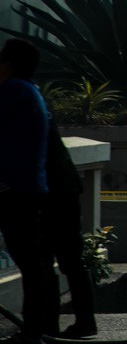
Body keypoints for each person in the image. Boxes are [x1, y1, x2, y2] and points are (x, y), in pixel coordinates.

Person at [0, 39, 57, 344]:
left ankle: (34, 330)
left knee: (29, 260)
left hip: (14, 189)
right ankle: (37, 328)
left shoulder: (13, 91)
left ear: (8, 66)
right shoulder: (31, 91)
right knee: (32, 261)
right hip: (28, 188)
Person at [43, 118, 98, 338]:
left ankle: (47, 325)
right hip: (61, 189)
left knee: (47, 261)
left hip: (50, 192)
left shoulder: (21, 104)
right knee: (69, 261)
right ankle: (82, 321)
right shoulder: (34, 106)